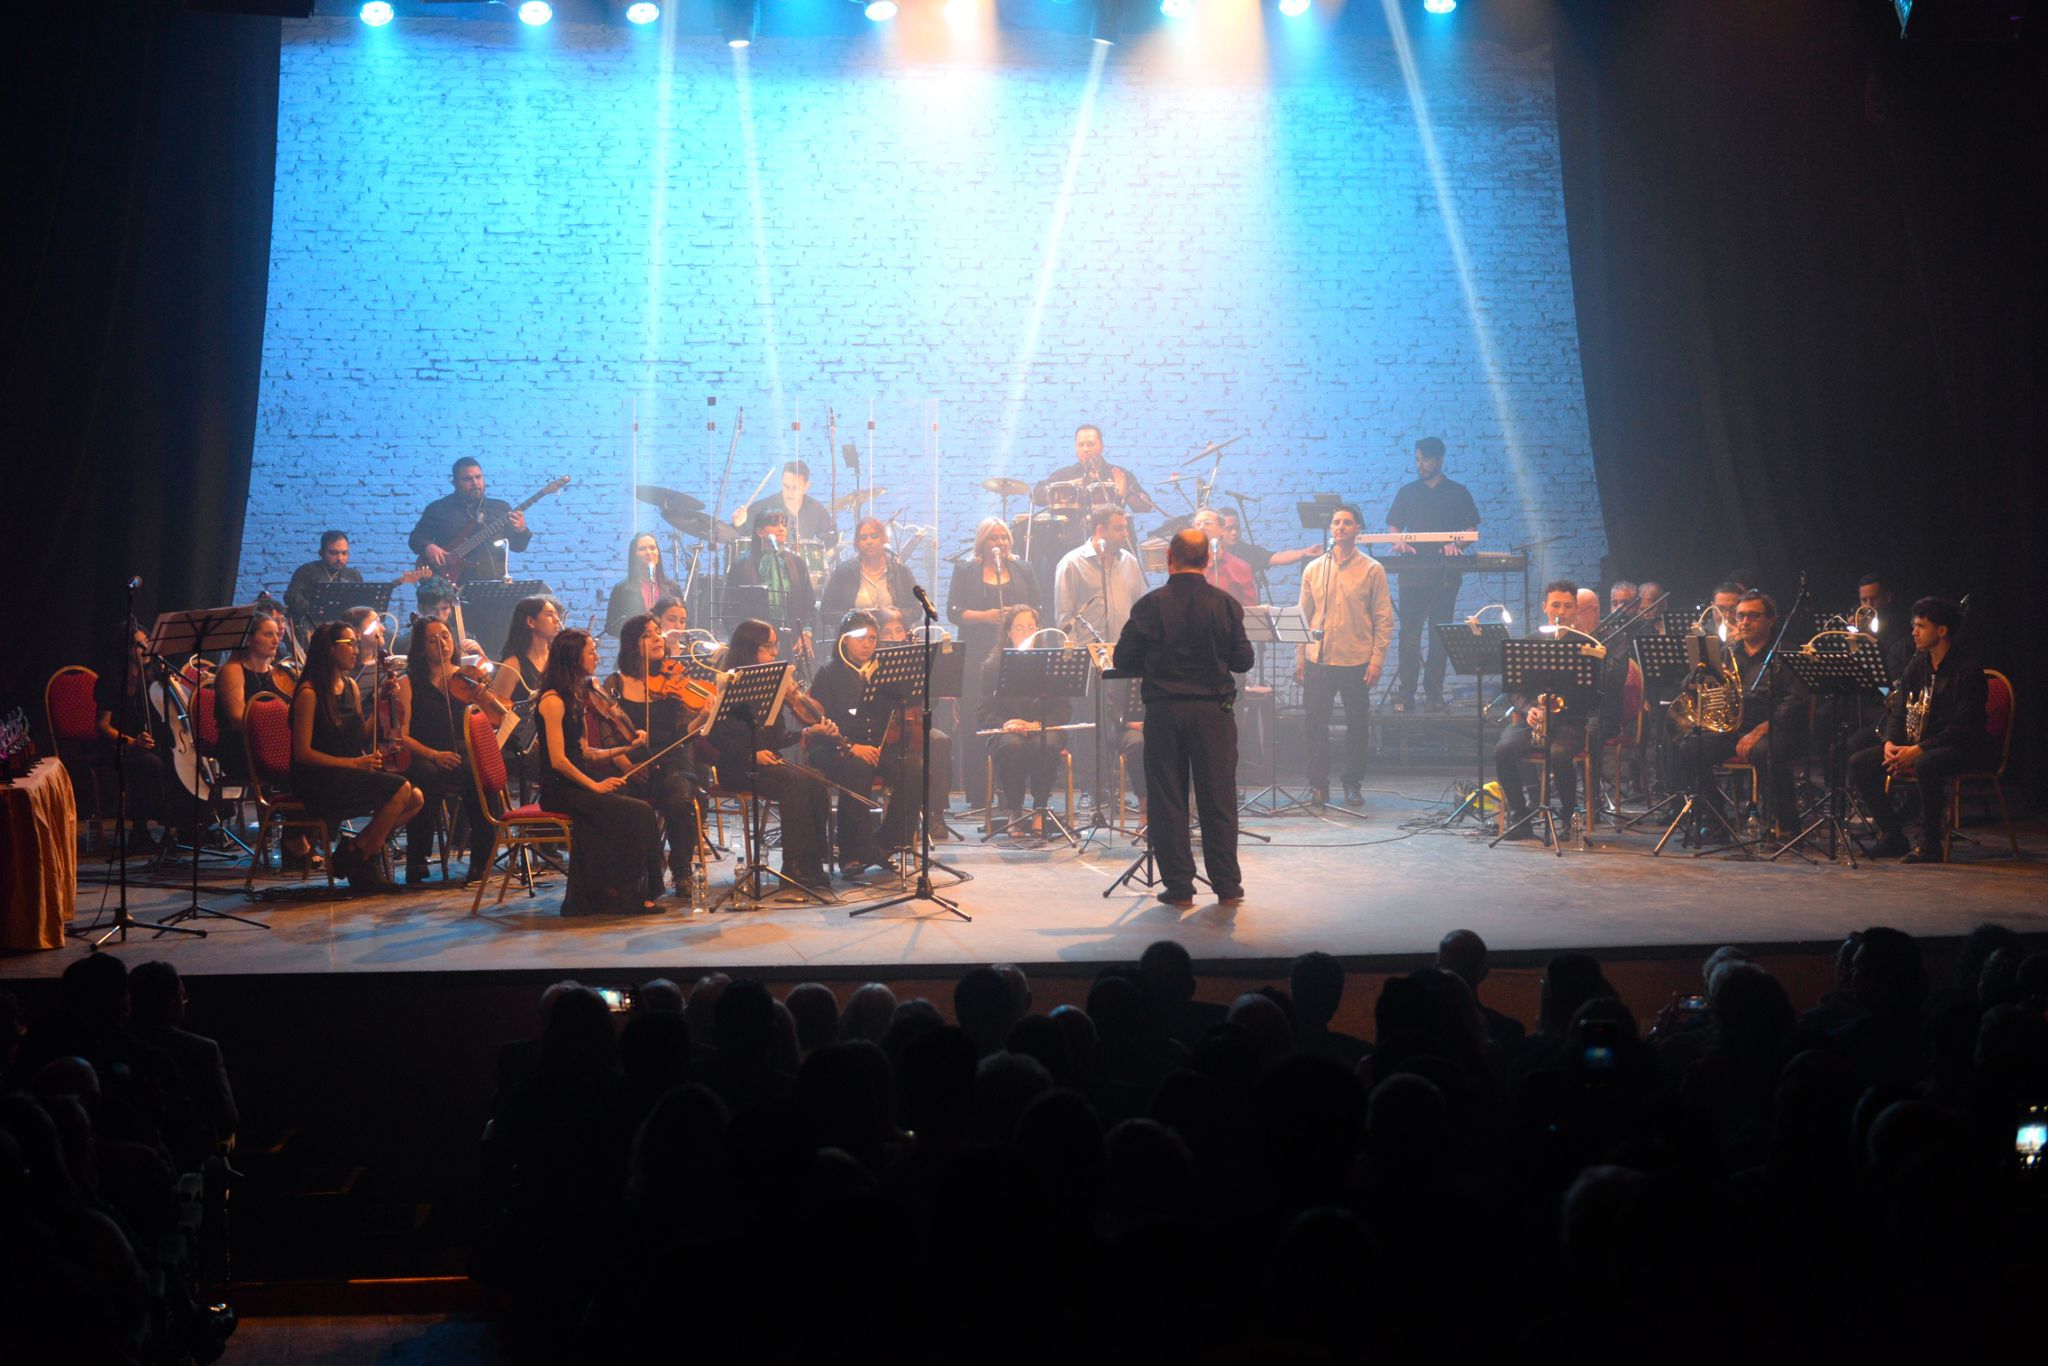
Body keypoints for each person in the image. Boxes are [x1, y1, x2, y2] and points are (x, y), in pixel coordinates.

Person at [1113, 529, 1254, 907]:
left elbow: (1122, 661)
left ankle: (1178, 885)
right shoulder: (1225, 605)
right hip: (1214, 714)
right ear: (1208, 560)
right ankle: (1226, 884)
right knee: (1218, 798)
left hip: (1165, 711)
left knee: (1167, 798)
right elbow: (1243, 661)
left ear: (1169, 559)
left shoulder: (1149, 606)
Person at [1847, 596, 1991, 863]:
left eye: (1921, 626)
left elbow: (1963, 728)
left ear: (1942, 630)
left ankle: (1930, 842)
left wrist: (1917, 749)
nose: (1913, 632)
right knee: (1860, 762)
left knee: (1926, 763)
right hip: (1921, 746)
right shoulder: (1919, 664)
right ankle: (1893, 835)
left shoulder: (1968, 670)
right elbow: (1899, 709)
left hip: (1963, 748)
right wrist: (1891, 742)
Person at [532, 628, 660, 914]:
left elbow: (586, 752)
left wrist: (626, 749)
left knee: (628, 797)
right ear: (574, 657)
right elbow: (558, 761)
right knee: (638, 812)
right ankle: (630, 895)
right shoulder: (552, 700)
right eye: (591, 651)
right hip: (560, 790)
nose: (597, 656)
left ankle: (612, 891)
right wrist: (594, 786)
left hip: (577, 785)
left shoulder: (575, 696)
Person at [704, 619, 836, 893]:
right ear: (749, 648)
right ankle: (794, 865)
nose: (775, 653)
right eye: (768, 647)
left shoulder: (769, 685)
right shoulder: (730, 683)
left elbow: (776, 738)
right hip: (737, 766)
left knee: (817, 780)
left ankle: (813, 863)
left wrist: (807, 732)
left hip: (767, 763)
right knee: (796, 782)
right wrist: (752, 754)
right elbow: (718, 737)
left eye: (775, 646)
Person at [288, 622, 422, 889]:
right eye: (349, 644)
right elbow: (302, 753)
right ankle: (361, 860)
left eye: (356, 643)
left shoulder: (350, 686)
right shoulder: (309, 693)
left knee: (416, 799)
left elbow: (359, 735)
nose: (355, 649)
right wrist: (353, 763)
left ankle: (355, 851)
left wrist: (381, 701)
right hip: (318, 780)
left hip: (347, 773)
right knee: (401, 789)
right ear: (329, 649)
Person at [1672, 590, 1811, 835]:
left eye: (1753, 616)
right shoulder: (1728, 652)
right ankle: (1717, 821)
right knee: (1691, 747)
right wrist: (1698, 679)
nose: (1744, 622)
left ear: (1771, 620)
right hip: (1735, 729)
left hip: (1776, 730)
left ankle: (1785, 825)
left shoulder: (1787, 654)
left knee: (1763, 751)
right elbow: (1689, 682)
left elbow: (1794, 703)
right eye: (1740, 616)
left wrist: (1758, 731)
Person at [807, 611, 923, 874]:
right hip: (835, 748)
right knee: (856, 769)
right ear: (844, 640)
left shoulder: (884, 671)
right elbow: (818, 725)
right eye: (860, 638)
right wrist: (850, 746)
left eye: (872, 638)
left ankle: (887, 842)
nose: (867, 644)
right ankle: (852, 852)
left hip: (876, 747)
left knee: (913, 766)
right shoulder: (828, 673)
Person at [1295, 503, 1394, 808]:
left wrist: (1377, 659)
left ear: (1357, 529)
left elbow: (1383, 618)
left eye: (1347, 523)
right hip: (1319, 660)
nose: (1339, 527)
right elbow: (1303, 616)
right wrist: (1300, 658)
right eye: (1336, 522)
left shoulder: (1372, 569)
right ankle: (1318, 785)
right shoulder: (1314, 568)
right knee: (1315, 724)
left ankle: (1352, 783)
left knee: (1357, 725)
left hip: (1356, 659)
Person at [608, 614, 706, 898]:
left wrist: (702, 717)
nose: (658, 638)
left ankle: (681, 869)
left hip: (672, 757)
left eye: (658, 632)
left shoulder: (671, 680)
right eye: (648, 634)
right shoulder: (615, 683)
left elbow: (682, 733)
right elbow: (606, 733)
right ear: (631, 644)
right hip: (631, 761)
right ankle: (636, 875)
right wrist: (625, 763)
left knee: (679, 796)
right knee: (623, 800)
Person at [948, 518, 1041, 809]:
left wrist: (1018, 616)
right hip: (976, 655)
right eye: (993, 538)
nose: (999, 543)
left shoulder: (1023, 568)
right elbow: (953, 611)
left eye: (1003, 538)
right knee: (979, 716)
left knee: (1012, 714)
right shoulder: (965, 570)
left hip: (1015, 654)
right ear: (982, 542)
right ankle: (978, 793)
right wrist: (985, 616)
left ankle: (1010, 790)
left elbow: (1038, 606)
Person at [394, 617, 492, 885]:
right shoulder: (408, 682)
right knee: (426, 776)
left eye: (446, 636)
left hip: (460, 754)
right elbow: (401, 735)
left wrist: (485, 693)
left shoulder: (468, 678)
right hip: (423, 754)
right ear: (421, 647)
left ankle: (482, 858)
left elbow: (490, 720)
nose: (442, 644)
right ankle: (417, 858)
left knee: (478, 775)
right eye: (432, 640)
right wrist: (434, 755)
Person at [1386, 437, 1480, 713]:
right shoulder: (1407, 492)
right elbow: (1393, 525)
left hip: (1444, 572)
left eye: (1424, 459)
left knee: (1440, 633)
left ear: (1438, 459)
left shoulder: (1458, 492)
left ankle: (1434, 692)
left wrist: (1456, 545)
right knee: (1409, 634)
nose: (1420, 465)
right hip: (1412, 571)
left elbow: (1470, 529)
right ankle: (1406, 693)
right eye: (1417, 459)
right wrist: (1399, 541)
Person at [1493, 581, 1587, 840]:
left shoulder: (1586, 645)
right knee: (1503, 750)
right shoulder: (1528, 643)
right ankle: (1521, 816)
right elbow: (1515, 691)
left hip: (1569, 722)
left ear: (1576, 609)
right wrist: (1529, 709)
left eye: (1568, 606)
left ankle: (1569, 817)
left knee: (1559, 752)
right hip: (1533, 719)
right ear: (1545, 607)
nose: (1561, 611)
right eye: (1555, 604)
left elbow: (1592, 694)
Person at [979, 605, 1069, 835]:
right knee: (1013, 746)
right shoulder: (993, 666)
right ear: (1008, 632)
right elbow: (984, 713)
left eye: (1031, 627)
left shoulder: (1052, 663)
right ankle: (1015, 811)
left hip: (1043, 728)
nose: (1026, 633)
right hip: (1007, 731)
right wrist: (1007, 723)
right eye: (1019, 628)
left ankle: (1040, 810)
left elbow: (1063, 710)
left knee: (1046, 744)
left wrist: (1038, 724)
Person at [875, 607, 956, 836]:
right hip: (882, 731)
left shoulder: (916, 658)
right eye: (887, 632)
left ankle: (936, 814)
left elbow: (934, 702)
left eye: (898, 631)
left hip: (913, 726)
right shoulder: (871, 661)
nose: (894, 637)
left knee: (940, 742)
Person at [94, 624, 172, 852]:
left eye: (146, 644)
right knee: (149, 763)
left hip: (149, 743)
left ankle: (181, 824)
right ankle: (141, 830)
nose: (145, 649)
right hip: (118, 747)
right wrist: (132, 742)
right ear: (125, 649)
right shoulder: (110, 681)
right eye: (138, 645)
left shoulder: (154, 676)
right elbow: (102, 726)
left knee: (169, 760)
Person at [409, 457, 532, 582]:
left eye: (478, 477)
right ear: (455, 483)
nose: (475, 483)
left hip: (493, 580)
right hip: (452, 583)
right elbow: (415, 539)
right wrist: (428, 547)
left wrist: (521, 530)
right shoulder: (438, 509)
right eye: (467, 479)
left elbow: (518, 547)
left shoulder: (500, 508)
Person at [725, 509, 816, 657]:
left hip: (790, 640)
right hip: (754, 643)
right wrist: (741, 644)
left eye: (784, 524)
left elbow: (809, 605)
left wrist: (806, 633)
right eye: (774, 524)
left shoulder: (797, 563)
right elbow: (729, 610)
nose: (781, 528)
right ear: (759, 532)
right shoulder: (741, 565)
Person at [1052, 506, 1148, 646]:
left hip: (1125, 654)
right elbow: (1064, 618)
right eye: (1118, 528)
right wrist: (1074, 657)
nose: (1125, 534)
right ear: (1100, 530)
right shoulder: (1072, 564)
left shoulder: (1130, 562)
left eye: (1125, 528)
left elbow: (1141, 610)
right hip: (1089, 657)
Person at [1031, 423, 1158, 515]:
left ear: (1102, 446)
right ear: (1075, 448)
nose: (1086, 449)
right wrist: (1061, 491)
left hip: (1112, 540)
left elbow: (1145, 507)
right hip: (1072, 542)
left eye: (1091, 444)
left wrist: (1125, 495)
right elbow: (1034, 494)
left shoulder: (1119, 474)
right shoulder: (1064, 475)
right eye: (1081, 445)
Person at [820, 517, 916, 621]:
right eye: (863, 538)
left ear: (883, 539)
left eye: (874, 536)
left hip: (891, 636)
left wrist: (896, 615)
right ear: (857, 542)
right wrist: (853, 618)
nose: (869, 541)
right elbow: (826, 611)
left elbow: (916, 610)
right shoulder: (844, 572)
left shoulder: (901, 572)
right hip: (856, 634)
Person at [738, 459, 838, 549]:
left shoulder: (815, 509)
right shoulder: (762, 508)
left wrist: (829, 553)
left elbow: (831, 540)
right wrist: (738, 524)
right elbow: (741, 536)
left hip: (802, 567)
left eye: (795, 488)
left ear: (806, 486)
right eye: (786, 486)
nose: (790, 493)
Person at [283, 530, 364, 638]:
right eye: (334, 553)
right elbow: (291, 596)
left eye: (344, 553)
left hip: (345, 628)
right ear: (321, 553)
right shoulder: (306, 571)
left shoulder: (353, 575)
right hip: (313, 626)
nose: (340, 558)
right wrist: (312, 608)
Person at [606, 534, 682, 639]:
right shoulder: (622, 589)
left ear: (658, 555)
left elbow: (686, 621)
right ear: (634, 556)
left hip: (666, 648)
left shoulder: (673, 588)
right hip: (636, 649)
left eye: (652, 548)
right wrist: (635, 628)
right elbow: (611, 627)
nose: (648, 553)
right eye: (642, 549)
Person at [1856, 573, 1916, 681]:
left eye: (1873, 599)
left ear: (1887, 598)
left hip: (1890, 688)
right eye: (1864, 600)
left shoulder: (1903, 628)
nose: (1868, 605)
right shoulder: (1859, 627)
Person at [1190, 508, 1255, 607]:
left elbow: (1251, 611)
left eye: (1208, 523)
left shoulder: (1241, 567)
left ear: (1222, 530)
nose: (1202, 527)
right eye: (1198, 524)